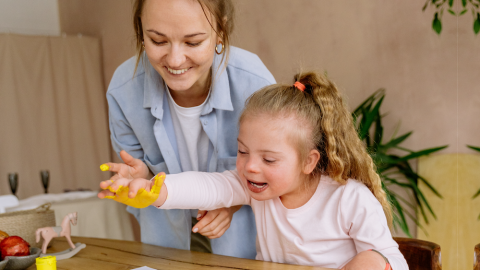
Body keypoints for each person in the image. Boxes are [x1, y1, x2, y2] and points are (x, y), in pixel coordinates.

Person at [99, 71, 409, 269]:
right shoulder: (255, 186)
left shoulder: (349, 199)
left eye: (269, 160)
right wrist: (155, 188)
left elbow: (392, 260)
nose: (250, 167)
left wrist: (370, 262)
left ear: (309, 161)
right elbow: (209, 187)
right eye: (242, 151)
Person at [102, 0, 275, 259]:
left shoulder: (255, 85)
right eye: (158, 41)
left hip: (244, 247)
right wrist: (142, 175)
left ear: (221, 32)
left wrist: (233, 202)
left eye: (193, 42)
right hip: (166, 241)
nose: (175, 59)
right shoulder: (123, 90)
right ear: (141, 32)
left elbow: (278, 174)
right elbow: (141, 173)